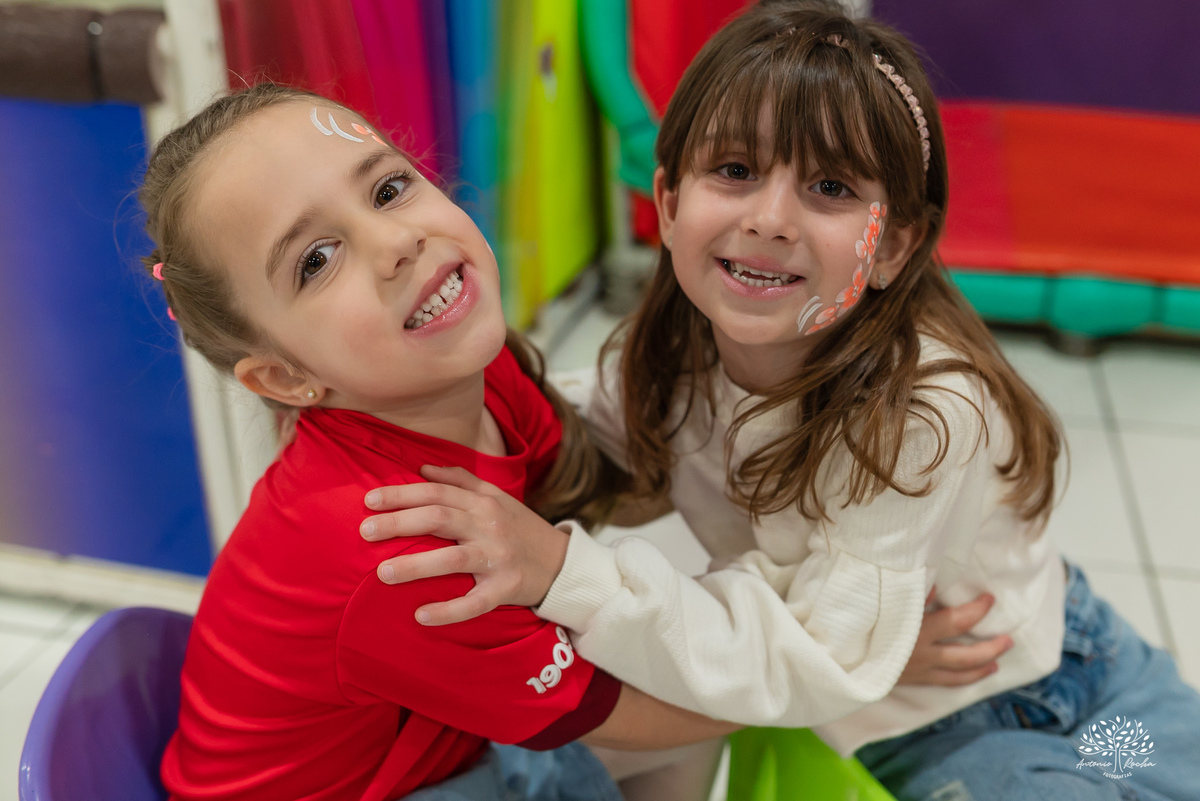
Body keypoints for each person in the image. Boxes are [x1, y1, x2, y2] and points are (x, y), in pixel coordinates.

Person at [358, 2, 1200, 799]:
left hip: (1049, 676)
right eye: (734, 170)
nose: (770, 217)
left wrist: (563, 571)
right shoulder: (671, 353)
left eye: (830, 188)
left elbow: (813, 654)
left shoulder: (927, 413)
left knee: (1136, 770)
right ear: (671, 201)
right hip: (924, 706)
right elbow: (576, 430)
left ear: (893, 246)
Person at [142, 80, 990, 801]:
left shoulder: (484, 375)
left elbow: (611, 482)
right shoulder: (393, 543)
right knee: (673, 708)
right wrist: (837, 670)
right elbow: (620, 702)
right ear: (285, 379)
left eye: (389, 189)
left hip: (418, 744)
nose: (396, 244)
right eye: (317, 260)